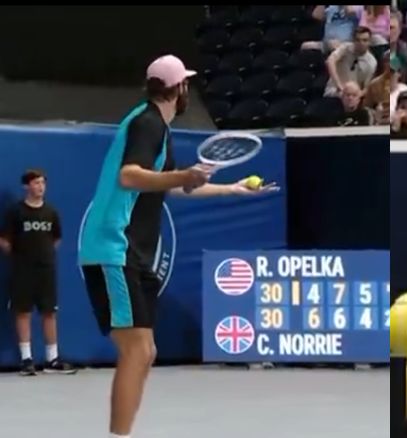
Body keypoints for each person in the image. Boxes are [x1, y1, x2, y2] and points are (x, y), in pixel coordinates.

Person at [78, 54, 279, 438]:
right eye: (186, 83)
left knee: (145, 351)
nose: (189, 89)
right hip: (113, 248)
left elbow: (170, 186)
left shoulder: (156, 126)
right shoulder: (147, 123)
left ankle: (122, 432)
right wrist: (183, 174)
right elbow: (129, 176)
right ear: (178, 88)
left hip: (132, 252)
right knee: (137, 350)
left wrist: (231, 189)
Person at [0, 169, 76, 376]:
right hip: (22, 271)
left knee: (49, 312)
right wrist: (21, 256)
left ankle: (52, 359)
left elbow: (56, 239)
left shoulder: (51, 212)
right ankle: (26, 360)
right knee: (23, 312)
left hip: (46, 270)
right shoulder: (15, 212)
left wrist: (44, 255)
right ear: (26, 186)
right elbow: (5, 240)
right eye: (36, 183)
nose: (40, 187)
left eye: (42, 183)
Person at [324, 26, 377, 97]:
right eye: (357, 40)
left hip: (352, 96)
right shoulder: (345, 48)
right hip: (334, 90)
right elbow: (330, 61)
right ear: (353, 40)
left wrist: (357, 96)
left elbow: (366, 88)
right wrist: (339, 85)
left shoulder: (372, 62)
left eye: (365, 40)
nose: (361, 43)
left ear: (370, 42)